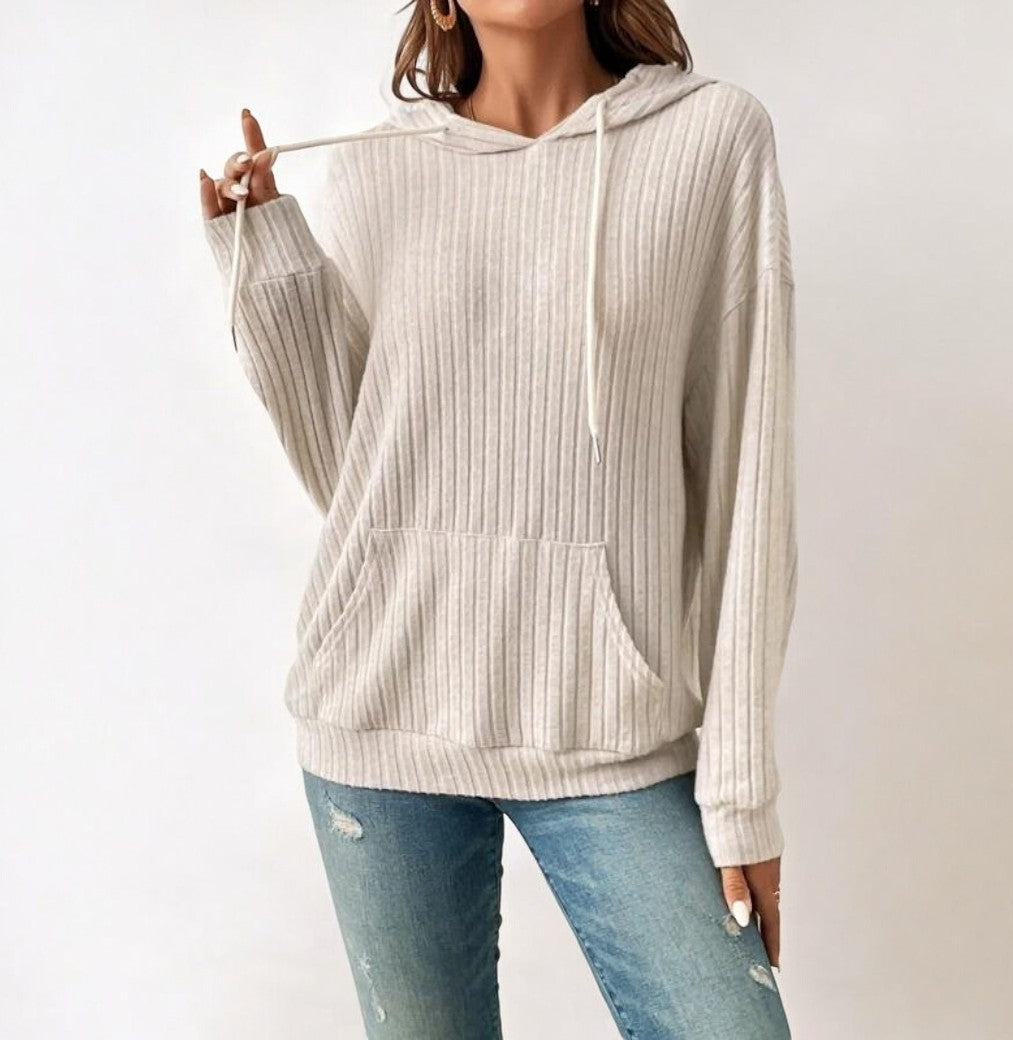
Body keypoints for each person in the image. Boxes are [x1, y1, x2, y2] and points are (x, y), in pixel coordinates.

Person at [198, 1, 798, 1036]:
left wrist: (739, 790)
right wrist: (274, 269)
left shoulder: (709, 137)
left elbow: (751, 469)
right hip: (380, 717)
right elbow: (359, 480)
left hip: (610, 724)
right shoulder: (379, 168)